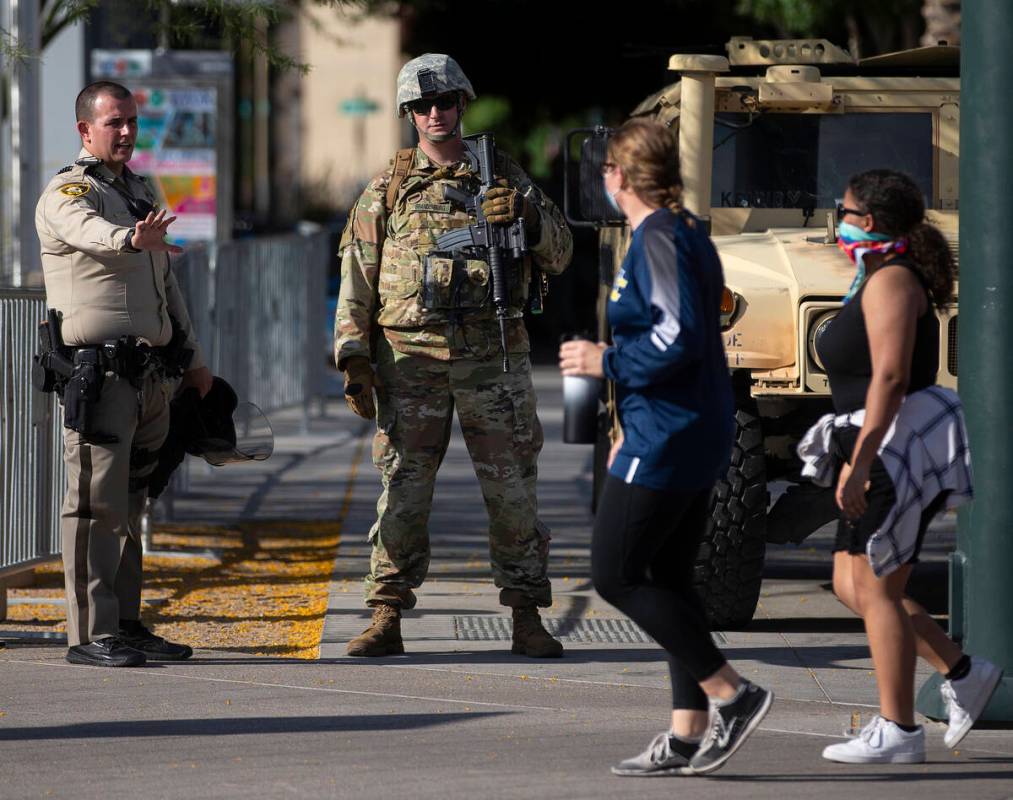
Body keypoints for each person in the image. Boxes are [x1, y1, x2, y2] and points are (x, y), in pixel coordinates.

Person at [334, 54, 573, 658]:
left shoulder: (503, 179)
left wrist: (526, 215)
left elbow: (563, 253)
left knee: (513, 493)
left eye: (444, 103)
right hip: (409, 363)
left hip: (492, 364)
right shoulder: (386, 189)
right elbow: (357, 278)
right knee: (403, 492)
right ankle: (385, 613)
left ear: (462, 104)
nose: (434, 114)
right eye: (421, 106)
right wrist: (353, 357)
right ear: (408, 114)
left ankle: (526, 615)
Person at [559, 118, 772, 776]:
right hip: (685, 427)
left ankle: (730, 693)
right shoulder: (681, 234)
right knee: (668, 578)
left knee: (615, 573)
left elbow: (674, 341)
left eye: (605, 169)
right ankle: (686, 732)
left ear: (619, 176)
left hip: (670, 435)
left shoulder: (657, 238)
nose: (602, 179)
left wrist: (605, 360)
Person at [804, 168, 1000, 763]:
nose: (836, 221)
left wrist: (862, 463)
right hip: (864, 446)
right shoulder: (871, 277)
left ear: (868, 221)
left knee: (879, 588)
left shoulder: (891, 281)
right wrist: (847, 461)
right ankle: (962, 673)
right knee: (850, 585)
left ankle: (899, 730)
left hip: (890, 450)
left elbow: (889, 378)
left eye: (843, 210)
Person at [36, 81, 212, 667]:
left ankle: (126, 623)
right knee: (93, 507)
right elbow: (86, 233)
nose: (127, 131)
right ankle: (89, 634)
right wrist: (128, 239)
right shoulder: (69, 191)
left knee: (132, 506)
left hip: (150, 377)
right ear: (86, 130)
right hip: (101, 377)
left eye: (133, 121)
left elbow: (167, 286)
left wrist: (193, 359)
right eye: (114, 122)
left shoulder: (139, 190)